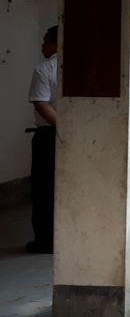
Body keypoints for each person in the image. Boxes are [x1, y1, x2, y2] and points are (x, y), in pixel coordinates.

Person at [26, 25, 58, 254]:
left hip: (49, 136)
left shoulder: (45, 69)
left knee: (44, 189)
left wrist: (62, 128)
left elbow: (41, 102)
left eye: (45, 42)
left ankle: (45, 241)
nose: (41, 46)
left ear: (56, 44)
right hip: (81, 136)